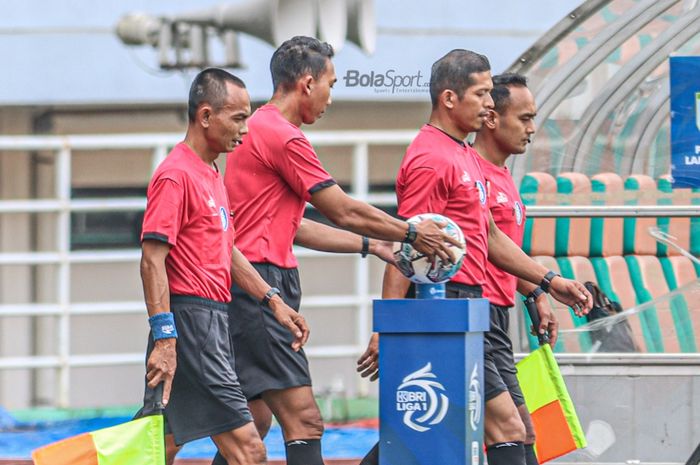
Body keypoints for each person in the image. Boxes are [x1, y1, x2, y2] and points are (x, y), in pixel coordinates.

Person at [210, 36, 459, 465]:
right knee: (304, 423)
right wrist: (412, 234)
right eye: (331, 84)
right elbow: (340, 209)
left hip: (246, 285)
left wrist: (374, 244)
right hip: (261, 288)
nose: (330, 97)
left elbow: (294, 226)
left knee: (253, 425)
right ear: (307, 84)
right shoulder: (286, 138)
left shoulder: (257, 129)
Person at [356, 50, 592, 465]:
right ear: (450, 98)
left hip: (473, 308)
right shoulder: (431, 157)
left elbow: (490, 236)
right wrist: (387, 326)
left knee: (498, 429)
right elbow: (408, 251)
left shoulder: (463, 154)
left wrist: (547, 282)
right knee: (502, 429)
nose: (489, 103)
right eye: (482, 93)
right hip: (445, 306)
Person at [137, 68, 309, 465]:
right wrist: (166, 338)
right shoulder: (175, 175)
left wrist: (273, 300)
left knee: (158, 446)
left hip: (213, 321)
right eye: (238, 117)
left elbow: (225, 250)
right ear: (205, 116)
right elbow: (152, 259)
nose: (246, 130)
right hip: (190, 324)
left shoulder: (212, 173)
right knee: (249, 450)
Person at [470, 72, 554, 465]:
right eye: (524, 118)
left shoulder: (503, 174)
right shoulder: (470, 171)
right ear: (491, 118)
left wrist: (534, 292)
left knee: (523, 431)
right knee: (514, 431)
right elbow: (417, 238)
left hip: (498, 318)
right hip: (472, 313)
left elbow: (503, 251)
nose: (532, 129)